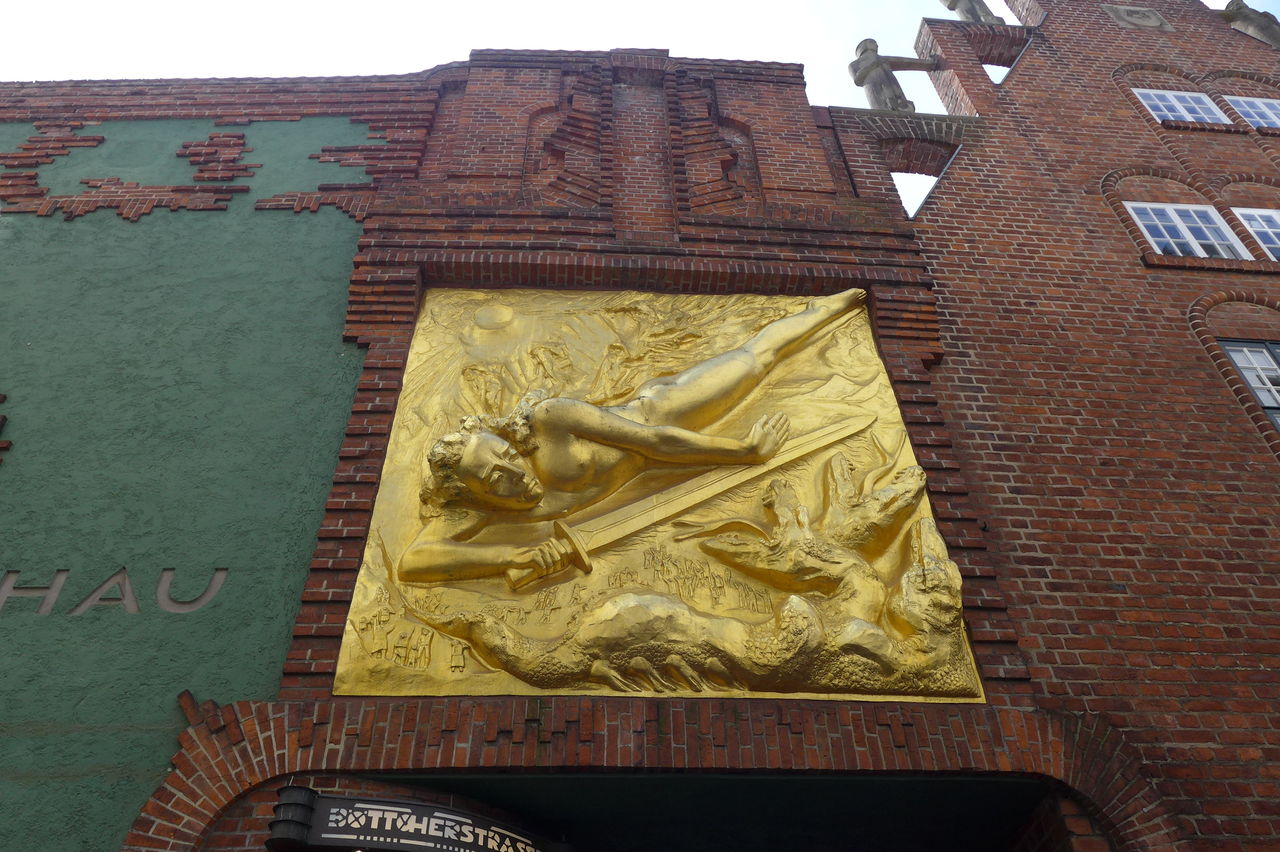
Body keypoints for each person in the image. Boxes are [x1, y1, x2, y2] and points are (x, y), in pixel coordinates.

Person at [399, 287, 866, 585]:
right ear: (473, 493)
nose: (514, 474)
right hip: (656, 470)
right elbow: (414, 561)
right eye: (495, 479)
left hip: (665, 414)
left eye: (506, 455)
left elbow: (654, 441)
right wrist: (512, 556)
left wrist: (744, 451)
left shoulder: (550, 420)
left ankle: (824, 308)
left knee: (756, 358)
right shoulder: (473, 507)